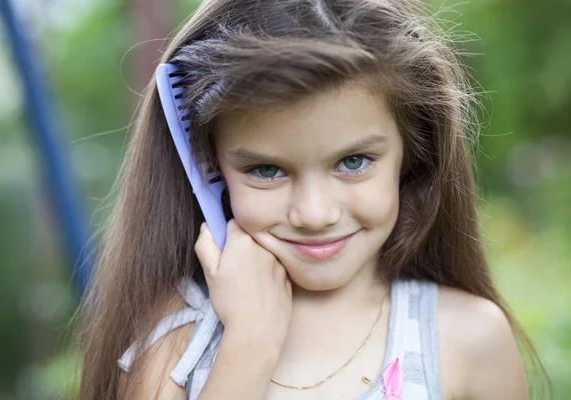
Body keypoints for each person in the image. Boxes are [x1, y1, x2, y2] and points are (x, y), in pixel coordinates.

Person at [75, 0, 551, 399]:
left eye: (354, 161)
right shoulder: (175, 342)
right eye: (266, 170)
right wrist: (250, 343)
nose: (315, 214)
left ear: (412, 155)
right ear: (209, 168)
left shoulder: (469, 339)